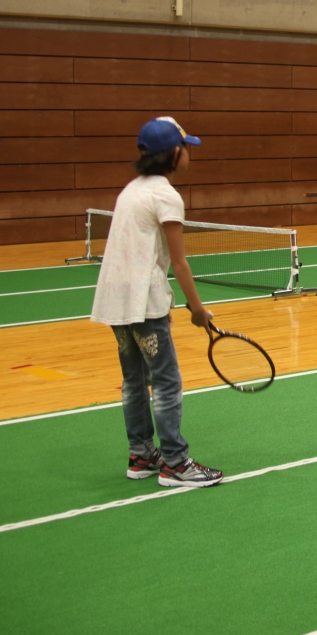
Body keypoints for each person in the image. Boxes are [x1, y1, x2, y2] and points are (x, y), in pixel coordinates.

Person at [90, 117, 222, 488]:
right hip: (143, 302)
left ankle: (142, 456)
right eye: (187, 148)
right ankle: (177, 464)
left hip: (117, 301)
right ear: (173, 153)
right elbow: (178, 261)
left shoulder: (131, 190)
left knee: (134, 381)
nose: (189, 155)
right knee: (166, 382)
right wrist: (197, 309)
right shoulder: (165, 195)